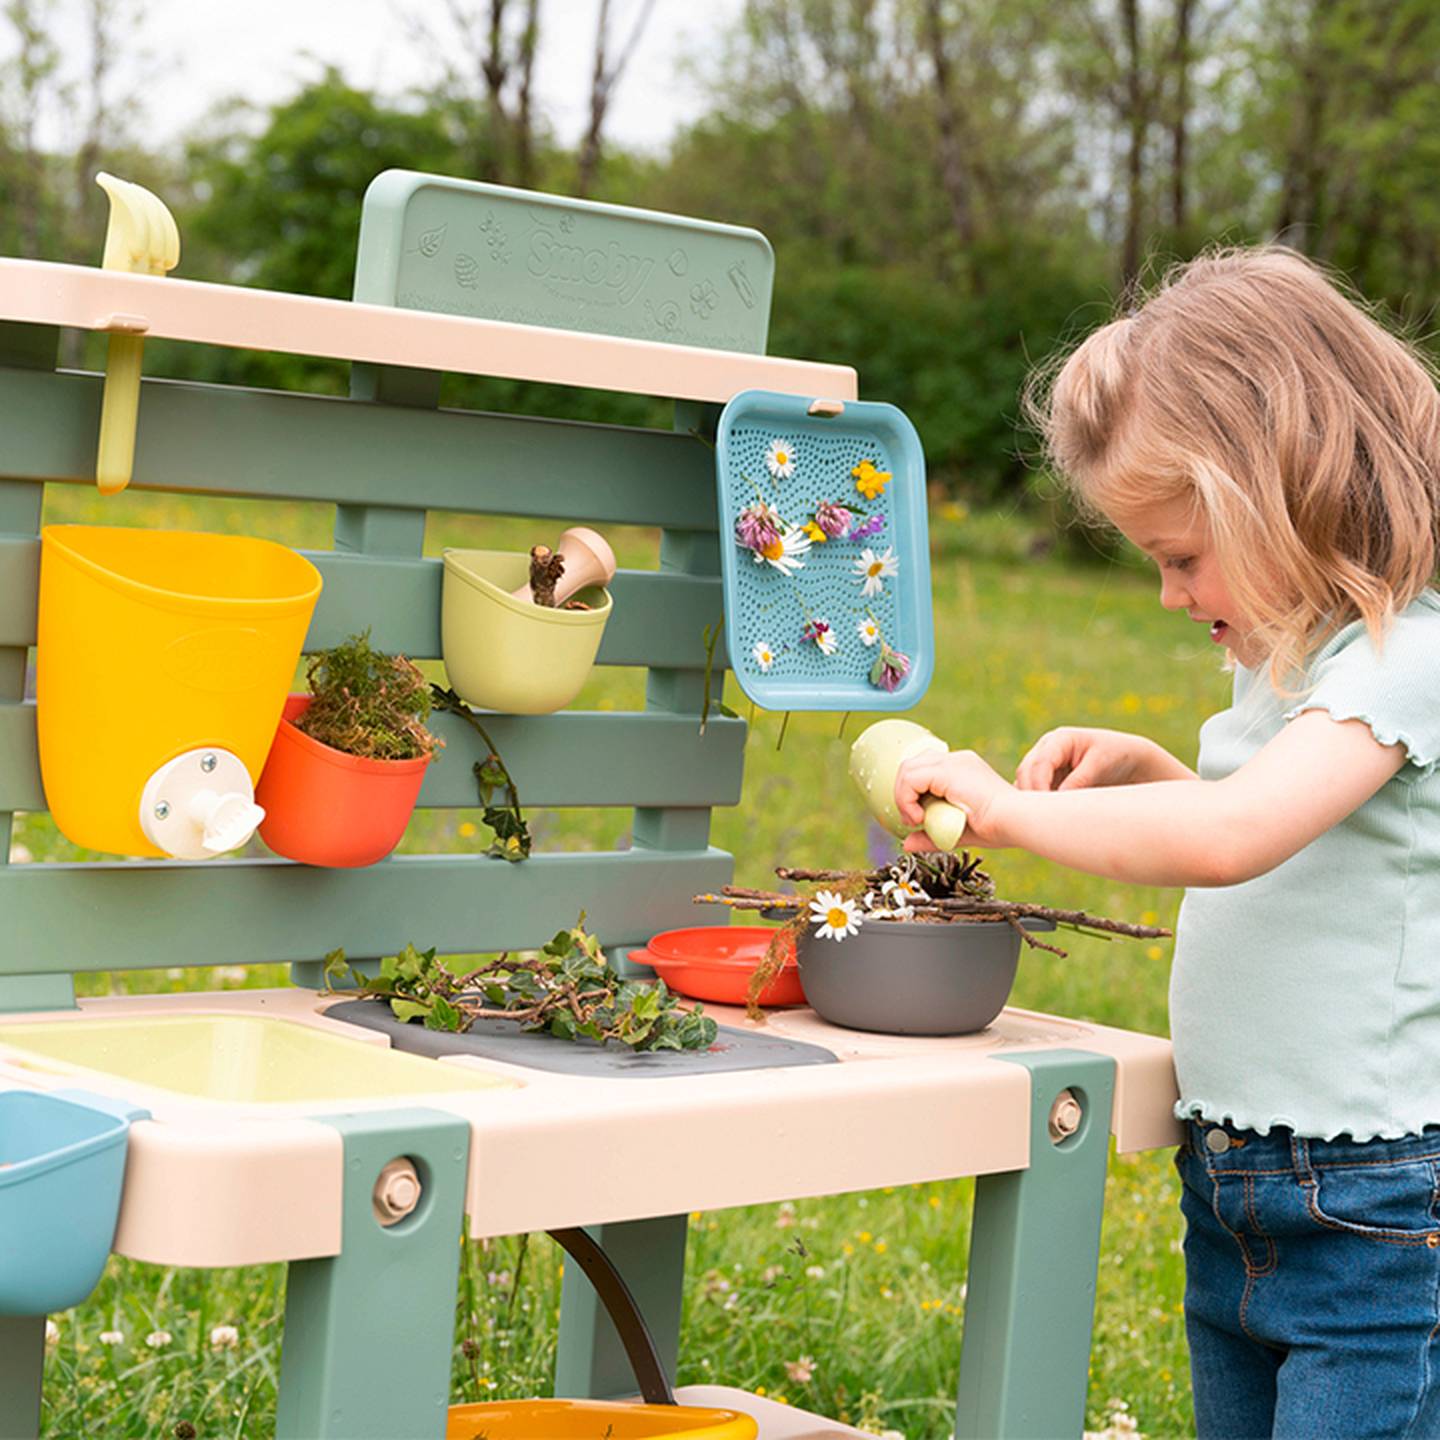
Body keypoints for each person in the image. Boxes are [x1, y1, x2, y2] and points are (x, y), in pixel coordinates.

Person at [895, 247, 1440, 1439]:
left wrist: (1010, 811)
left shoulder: (1409, 661)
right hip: (1241, 1187)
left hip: (1374, 1210)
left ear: (1278, 491)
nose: (1167, 593)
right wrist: (1156, 773)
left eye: (1181, 557)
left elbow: (1242, 833)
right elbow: (1296, 838)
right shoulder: (1297, 672)